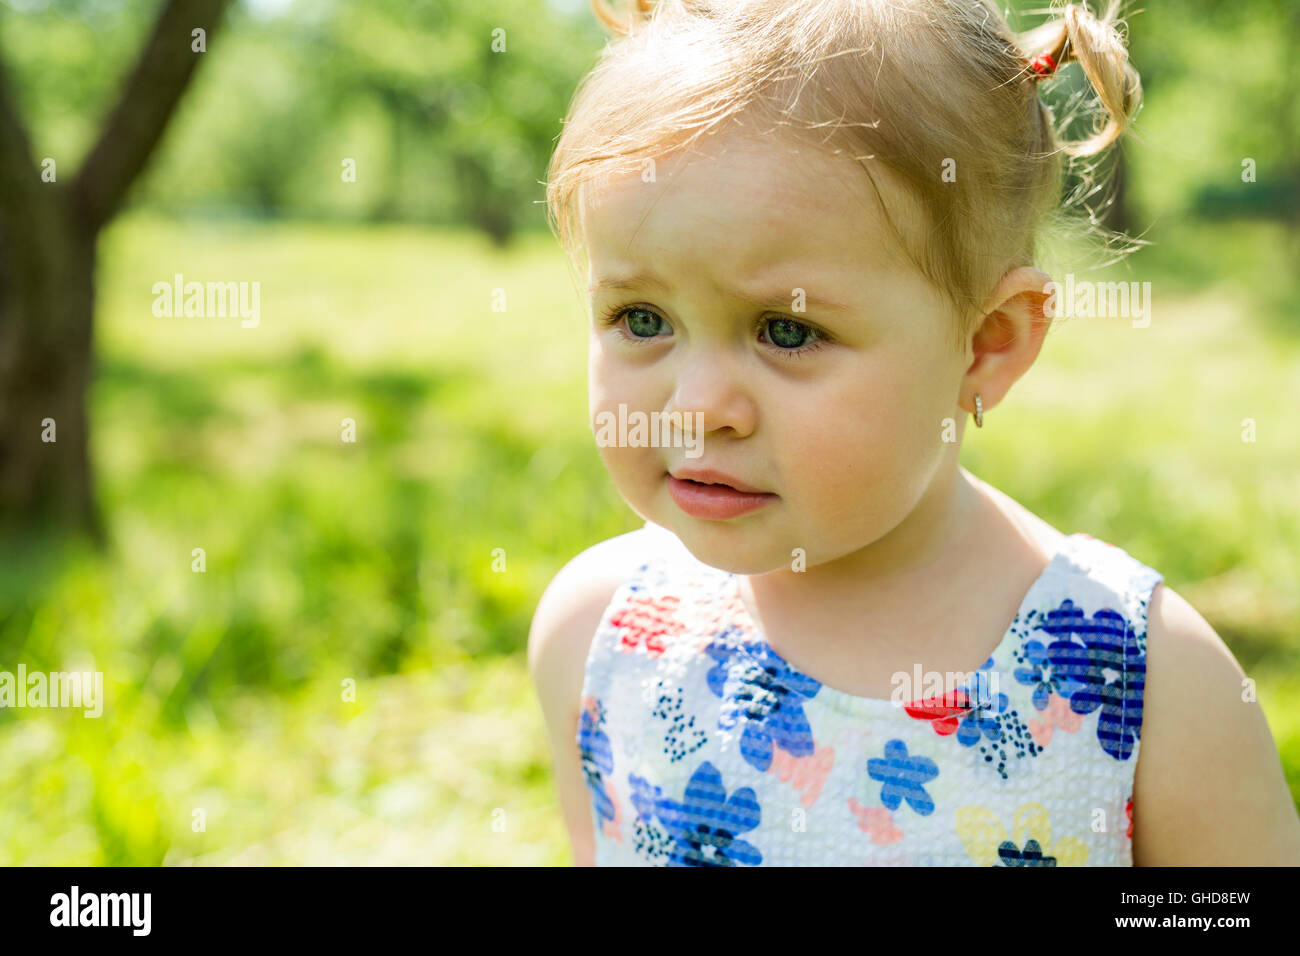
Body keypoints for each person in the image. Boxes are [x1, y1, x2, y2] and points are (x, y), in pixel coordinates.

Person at [528, 0, 1300, 865]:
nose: (696, 406)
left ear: (986, 343)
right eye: (640, 317)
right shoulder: (601, 634)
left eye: (787, 332)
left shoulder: (1138, 680)